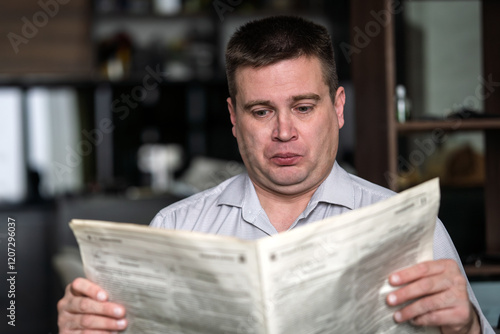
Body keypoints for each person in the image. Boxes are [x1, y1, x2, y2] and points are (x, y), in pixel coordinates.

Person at [57, 16, 494, 333]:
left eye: (303, 108)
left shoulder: (410, 229)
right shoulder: (175, 227)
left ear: (338, 107)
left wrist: (466, 327)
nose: (284, 132)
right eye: (261, 111)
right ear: (233, 116)